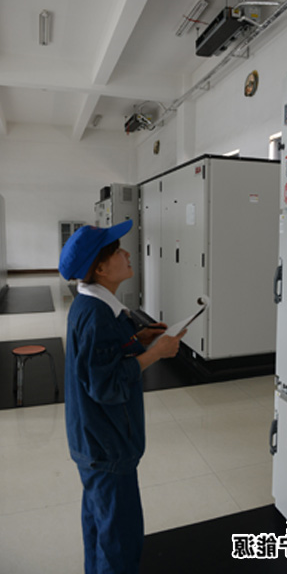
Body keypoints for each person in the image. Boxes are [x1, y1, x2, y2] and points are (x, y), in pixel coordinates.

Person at [58, 219, 186, 574]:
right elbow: (106, 385)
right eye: (117, 250)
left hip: (93, 441)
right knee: (120, 538)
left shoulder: (93, 306)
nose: (128, 253)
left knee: (99, 523)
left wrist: (139, 340)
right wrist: (155, 354)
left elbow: (103, 358)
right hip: (107, 444)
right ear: (99, 268)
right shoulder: (97, 315)